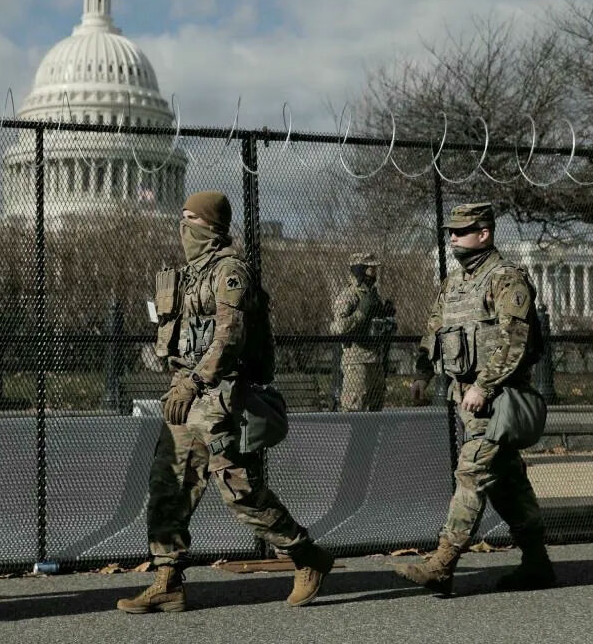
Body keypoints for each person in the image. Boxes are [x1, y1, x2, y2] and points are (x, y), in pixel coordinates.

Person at [117, 191, 334, 613]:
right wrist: (181, 383)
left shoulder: (230, 272)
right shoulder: (184, 274)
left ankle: (307, 556)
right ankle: (167, 580)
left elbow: (229, 337)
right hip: (184, 398)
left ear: (211, 228)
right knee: (168, 487)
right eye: (180, 218)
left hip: (218, 398)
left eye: (190, 220)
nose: (183, 228)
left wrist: (194, 382)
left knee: (241, 493)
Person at [400, 203, 554, 595]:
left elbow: (513, 340)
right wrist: (421, 373)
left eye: (462, 230)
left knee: (471, 473)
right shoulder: (453, 284)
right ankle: (537, 564)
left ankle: (443, 562)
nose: (453, 237)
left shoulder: (507, 279)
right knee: (508, 484)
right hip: (468, 400)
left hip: (497, 400)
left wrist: (484, 386)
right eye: (451, 231)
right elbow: (433, 330)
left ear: (485, 233)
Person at [330, 252, 393, 411]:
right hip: (356, 361)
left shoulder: (372, 295)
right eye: (371, 269)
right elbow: (338, 328)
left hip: (375, 359)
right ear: (360, 270)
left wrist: (385, 315)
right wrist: (360, 313)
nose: (374, 274)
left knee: (376, 409)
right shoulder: (348, 295)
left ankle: (372, 437)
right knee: (354, 409)